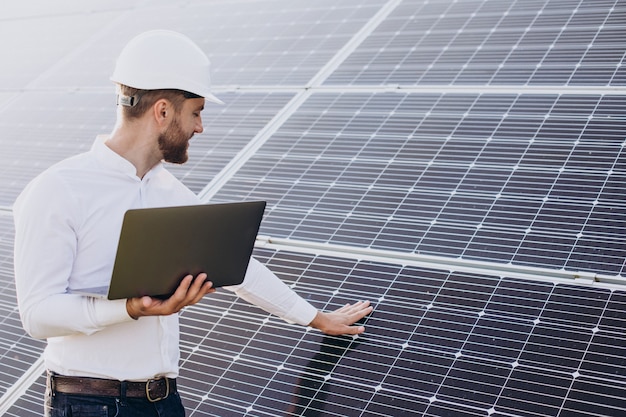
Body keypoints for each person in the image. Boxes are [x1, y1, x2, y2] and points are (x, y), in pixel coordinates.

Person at [13, 30, 372, 417]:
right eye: (196, 112)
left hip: (165, 401)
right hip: (89, 404)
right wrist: (131, 307)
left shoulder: (171, 195)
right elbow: (38, 314)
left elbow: (239, 267)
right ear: (163, 111)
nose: (200, 127)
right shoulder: (58, 189)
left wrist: (317, 318)